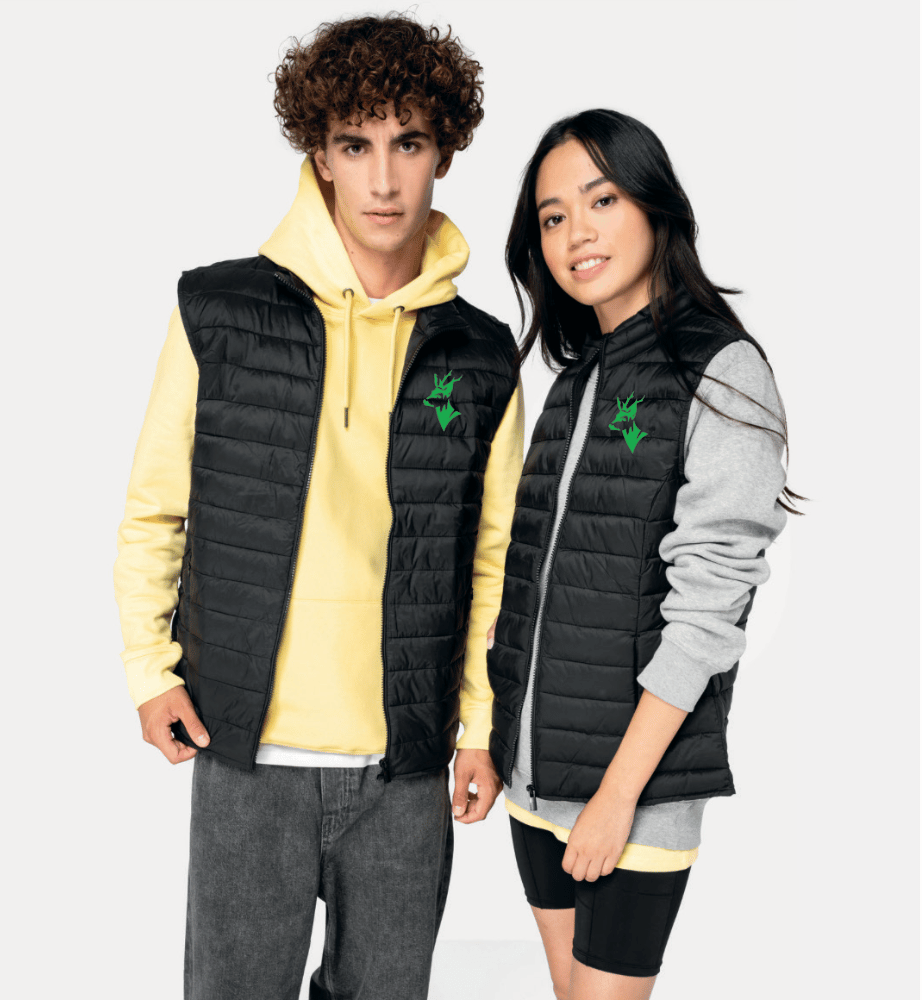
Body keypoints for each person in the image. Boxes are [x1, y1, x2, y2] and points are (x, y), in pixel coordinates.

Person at [113, 15, 523, 999]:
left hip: (405, 765)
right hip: (246, 754)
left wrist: (479, 725)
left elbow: (496, 559)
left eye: (408, 144)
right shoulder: (219, 312)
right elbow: (155, 509)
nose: (383, 179)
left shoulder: (478, 351)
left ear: (444, 153)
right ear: (320, 155)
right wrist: (148, 671)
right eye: (355, 143)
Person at [486, 109, 802, 1000]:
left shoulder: (721, 368)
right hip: (534, 780)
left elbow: (709, 611)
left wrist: (618, 795)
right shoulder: (575, 379)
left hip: (634, 793)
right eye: (552, 217)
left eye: (602, 200)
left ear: (654, 205)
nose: (576, 233)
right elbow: (528, 583)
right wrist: (493, 743)